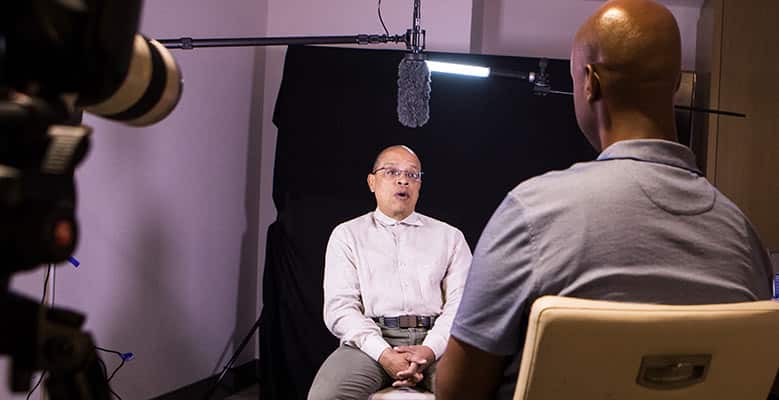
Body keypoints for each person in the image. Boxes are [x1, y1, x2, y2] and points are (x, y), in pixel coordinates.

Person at [435, 1, 775, 399]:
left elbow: (455, 391)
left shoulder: (531, 214)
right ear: (674, 85)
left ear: (590, 83)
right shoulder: (744, 240)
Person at [307, 145, 472, 400]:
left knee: (478, 391)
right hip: (370, 342)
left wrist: (430, 349)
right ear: (372, 182)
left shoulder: (450, 237)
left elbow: (462, 305)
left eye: (412, 174)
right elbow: (340, 308)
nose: (403, 180)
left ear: (419, 185)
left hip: (438, 340)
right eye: (391, 172)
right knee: (325, 397)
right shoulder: (347, 235)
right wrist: (384, 354)